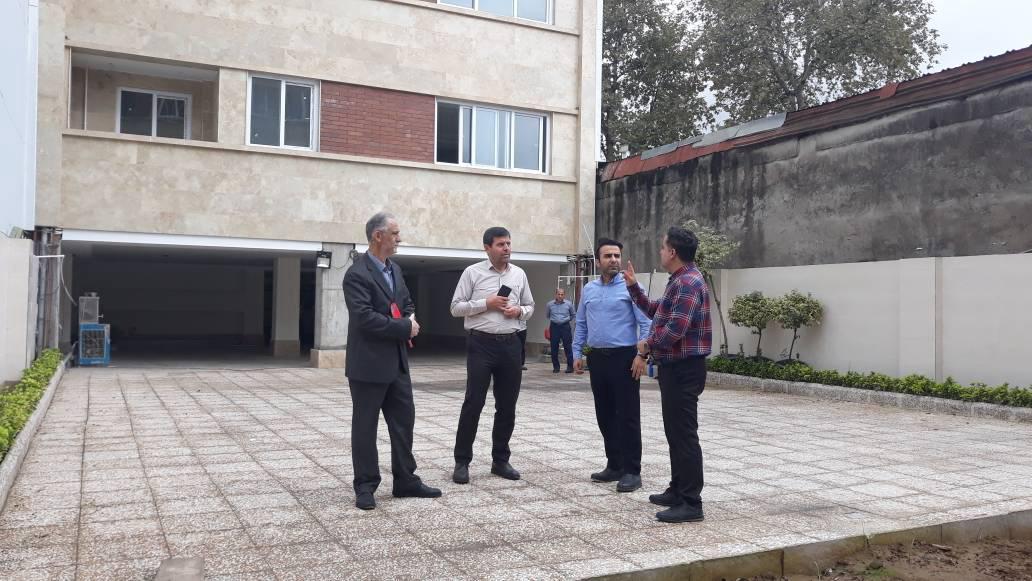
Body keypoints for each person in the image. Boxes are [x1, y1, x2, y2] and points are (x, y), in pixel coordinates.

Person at [343, 212, 442, 510]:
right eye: (395, 233)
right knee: (365, 428)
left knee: (403, 424)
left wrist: (410, 318)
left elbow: (406, 303)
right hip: (368, 366)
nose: (399, 238)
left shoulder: (395, 270)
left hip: (397, 363)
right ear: (378, 236)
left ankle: (405, 480)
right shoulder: (356, 274)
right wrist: (403, 327)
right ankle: (365, 486)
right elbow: (364, 318)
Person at [624, 226, 712, 523]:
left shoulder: (687, 282)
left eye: (663, 247)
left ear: (673, 252)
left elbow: (676, 329)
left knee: (684, 435)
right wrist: (634, 288)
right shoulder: (680, 280)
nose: (660, 251)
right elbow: (658, 311)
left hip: (684, 369)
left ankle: (691, 502)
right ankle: (677, 489)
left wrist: (647, 345)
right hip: (675, 368)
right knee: (675, 433)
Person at [450, 227, 535, 484]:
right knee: (473, 403)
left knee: (507, 405)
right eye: (500, 244)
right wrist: (486, 303)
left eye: (508, 243)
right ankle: (462, 462)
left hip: (511, 344)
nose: (506, 248)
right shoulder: (472, 273)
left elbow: (530, 306)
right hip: (480, 345)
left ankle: (500, 460)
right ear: (487, 248)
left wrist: (519, 311)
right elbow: (455, 308)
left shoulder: (519, 274)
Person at [572, 238, 652, 493]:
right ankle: (614, 464)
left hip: (625, 358)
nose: (614, 260)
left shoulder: (632, 287)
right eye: (608, 256)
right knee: (604, 413)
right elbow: (581, 322)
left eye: (617, 255)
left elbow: (646, 323)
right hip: (597, 358)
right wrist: (577, 352)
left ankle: (632, 470)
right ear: (598, 261)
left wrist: (641, 355)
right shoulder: (589, 289)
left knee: (627, 415)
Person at [546, 289, 576, 373]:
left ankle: (570, 367)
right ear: (556, 295)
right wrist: (556, 320)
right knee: (554, 347)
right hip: (554, 327)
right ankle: (556, 367)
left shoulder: (569, 304)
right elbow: (548, 315)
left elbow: (573, 314)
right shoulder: (549, 304)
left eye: (562, 294)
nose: (560, 296)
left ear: (564, 295)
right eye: (558, 294)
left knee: (568, 347)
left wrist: (565, 320)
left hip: (565, 326)